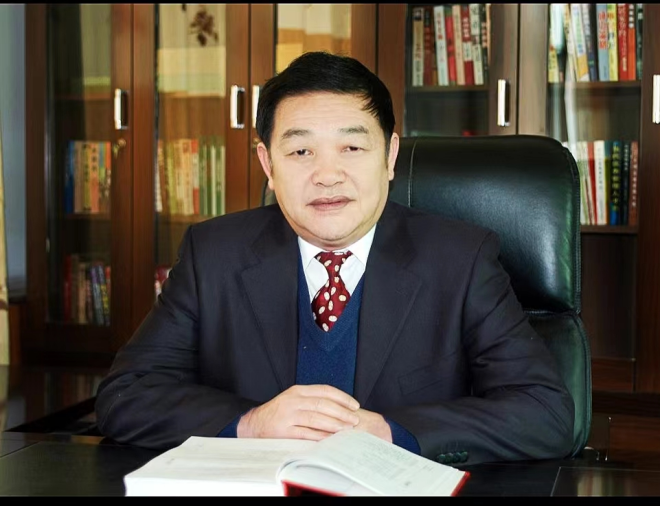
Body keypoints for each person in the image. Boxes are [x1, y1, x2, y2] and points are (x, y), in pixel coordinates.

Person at [95, 51, 574, 466]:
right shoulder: (213, 255)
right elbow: (125, 396)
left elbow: (545, 412)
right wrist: (250, 424)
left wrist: (391, 433)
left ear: (389, 156)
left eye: (352, 147)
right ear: (267, 165)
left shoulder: (460, 260)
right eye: (301, 150)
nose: (327, 175)